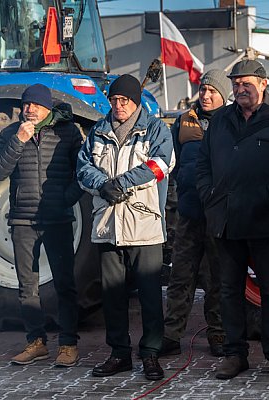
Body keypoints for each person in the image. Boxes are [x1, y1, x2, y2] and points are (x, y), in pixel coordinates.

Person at [195, 59, 269, 381]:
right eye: (236, 83)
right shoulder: (220, 120)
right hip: (226, 218)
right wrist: (209, 195)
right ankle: (235, 354)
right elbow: (203, 164)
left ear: (264, 84)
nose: (240, 89)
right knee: (228, 290)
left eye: (246, 83)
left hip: (266, 220)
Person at [76, 74, 174, 381]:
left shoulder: (155, 129)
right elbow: (82, 168)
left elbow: (162, 164)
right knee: (113, 297)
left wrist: (122, 182)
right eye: (115, 100)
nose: (118, 106)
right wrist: (103, 185)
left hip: (144, 226)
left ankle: (150, 354)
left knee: (149, 295)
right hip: (108, 227)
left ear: (135, 102)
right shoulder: (97, 131)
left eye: (124, 101)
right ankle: (119, 353)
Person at [0, 84, 83, 367]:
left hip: (57, 219)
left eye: (36, 106)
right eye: (26, 105)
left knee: (65, 284)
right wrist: (18, 140)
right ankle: (36, 342)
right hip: (23, 220)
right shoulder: (8, 134)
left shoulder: (67, 133)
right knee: (27, 286)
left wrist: (66, 199)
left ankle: (67, 344)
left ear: (47, 109)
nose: (29, 109)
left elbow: (83, 171)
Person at [160, 70, 230, 357]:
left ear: (223, 95)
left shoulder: (231, 122)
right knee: (181, 277)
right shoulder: (183, 121)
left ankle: (218, 334)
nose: (206, 95)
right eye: (203, 89)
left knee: (217, 278)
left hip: (217, 215)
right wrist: (174, 203)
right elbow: (171, 164)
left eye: (213, 91)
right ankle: (171, 335)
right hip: (189, 214)